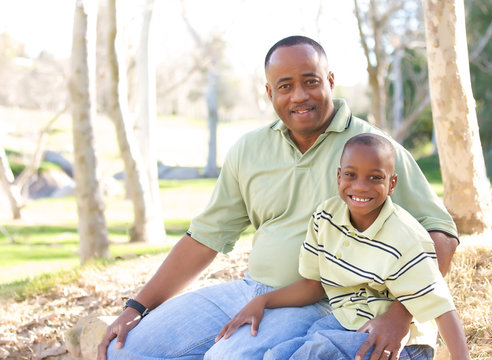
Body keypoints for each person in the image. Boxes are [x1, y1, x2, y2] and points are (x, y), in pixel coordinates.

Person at [98, 35, 460, 360]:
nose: (299, 95)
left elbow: (440, 235)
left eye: (311, 82)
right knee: (124, 351)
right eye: (285, 86)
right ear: (270, 94)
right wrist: (136, 308)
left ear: (330, 82)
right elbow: (203, 240)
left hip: (323, 300)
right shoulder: (249, 149)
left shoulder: (372, 151)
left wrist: (400, 314)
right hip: (250, 290)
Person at [215, 133, 470, 360]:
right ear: (339, 177)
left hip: (400, 344)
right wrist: (263, 301)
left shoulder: (405, 237)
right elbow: (313, 286)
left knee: (313, 352)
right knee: (277, 354)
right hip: (345, 323)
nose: (360, 186)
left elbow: (441, 306)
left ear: (392, 184)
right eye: (351, 175)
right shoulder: (325, 218)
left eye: (375, 178)